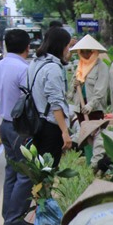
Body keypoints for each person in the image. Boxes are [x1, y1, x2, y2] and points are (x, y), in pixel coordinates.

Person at [0, 28, 34, 225]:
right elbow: (30, 99)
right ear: (27, 47)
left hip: (5, 125)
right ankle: (14, 217)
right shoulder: (24, 69)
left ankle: (8, 213)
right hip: (20, 127)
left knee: (11, 170)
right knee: (26, 171)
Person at [27, 26, 73, 167]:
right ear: (61, 45)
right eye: (67, 46)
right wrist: (65, 131)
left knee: (40, 170)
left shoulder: (36, 62)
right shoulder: (52, 68)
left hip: (37, 122)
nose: (68, 50)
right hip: (51, 127)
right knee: (48, 171)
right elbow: (55, 103)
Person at [69, 34, 110, 121]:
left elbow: (101, 90)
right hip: (80, 106)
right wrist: (75, 85)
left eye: (88, 51)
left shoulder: (101, 67)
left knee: (94, 133)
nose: (85, 54)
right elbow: (72, 90)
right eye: (82, 52)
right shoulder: (80, 66)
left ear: (94, 52)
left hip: (95, 109)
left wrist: (90, 105)